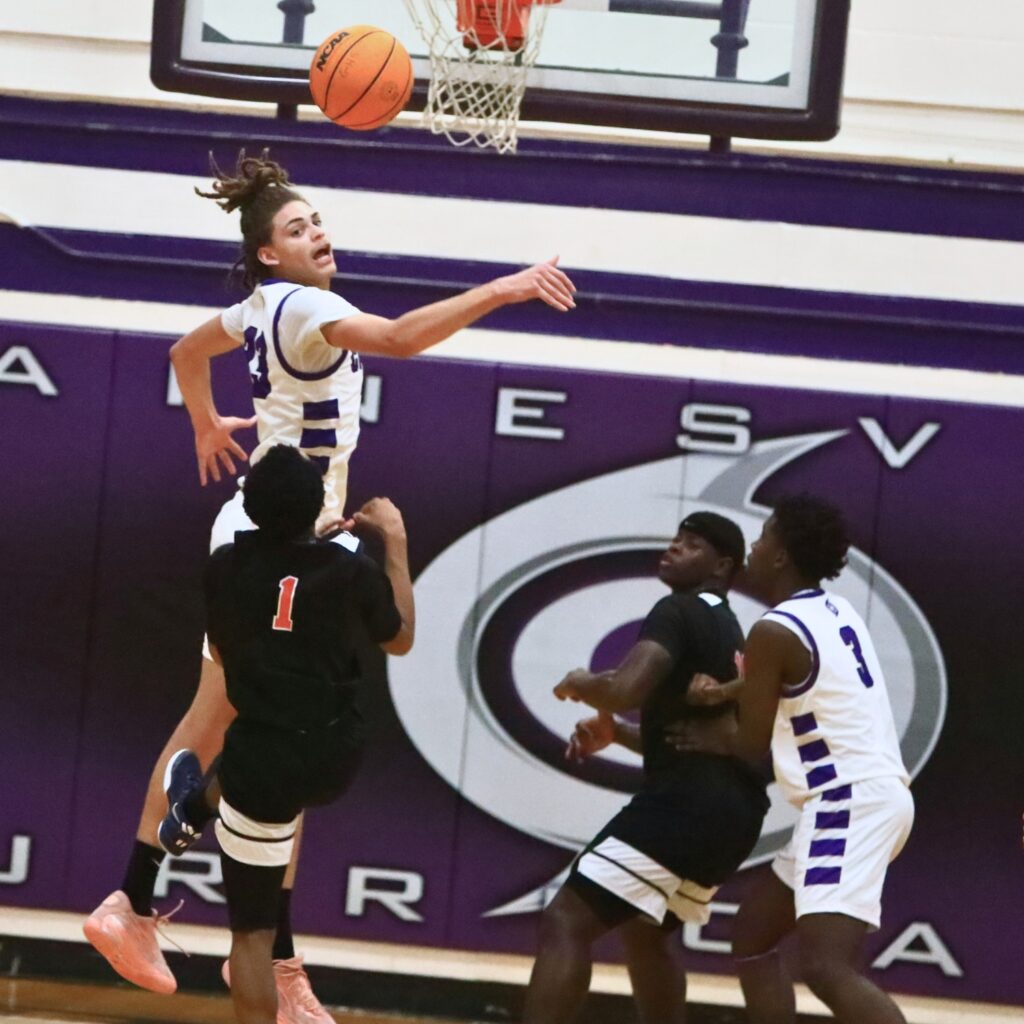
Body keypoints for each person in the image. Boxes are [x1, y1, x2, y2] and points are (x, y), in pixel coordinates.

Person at [83, 151, 577, 1019]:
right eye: (298, 228)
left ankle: (260, 952)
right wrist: (504, 290)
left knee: (288, 746)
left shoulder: (259, 304)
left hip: (280, 536)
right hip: (273, 545)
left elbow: (182, 349)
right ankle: (136, 906)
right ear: (270, 253)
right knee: (235, 727)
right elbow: (399, 339)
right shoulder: (309, 306)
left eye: (318, 221)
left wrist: (204, 420)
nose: (318, 234)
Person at [156, 444, 413, 1024]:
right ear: (317, 507)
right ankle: (195, 805)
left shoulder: (224, 566)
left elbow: (221, 652)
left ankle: (197, 807)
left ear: (249, 509)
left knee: (251, 937)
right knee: (258, 758)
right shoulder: (351, 569)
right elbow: (400, 639)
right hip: (334, 753)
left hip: (262, 763)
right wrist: (394, 543)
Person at [521, 512, 769, 1024]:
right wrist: (619, 733)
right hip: (735, 815)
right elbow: (684, 737)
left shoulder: (678, 610)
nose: (674, 548)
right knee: (644, 930)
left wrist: (581, 681)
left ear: (722, 565)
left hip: (690, 803)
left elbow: (624, 689)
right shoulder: (726, 625)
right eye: (676, 539)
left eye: (692, 543)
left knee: (565, 921)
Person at [688, 495, 913, 1024]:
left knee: (825, 966)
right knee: (753, 933)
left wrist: (708, 733)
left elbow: (749, 745)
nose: (755, 546)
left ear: (783, 555)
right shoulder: (835, 610)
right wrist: (731, 692)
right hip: (872, 796)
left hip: (846, 802)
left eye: (764, 536)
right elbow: (794, 678)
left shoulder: (773, 630)